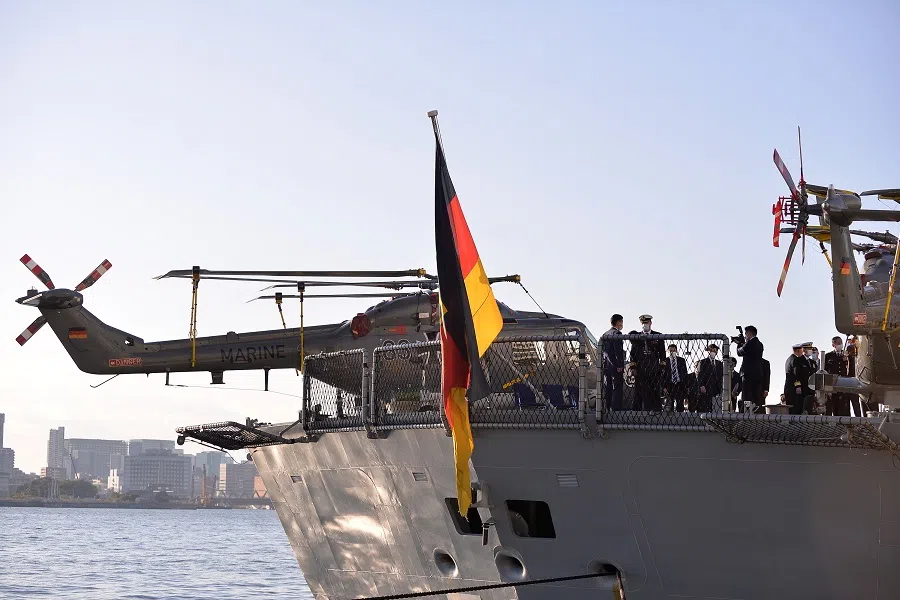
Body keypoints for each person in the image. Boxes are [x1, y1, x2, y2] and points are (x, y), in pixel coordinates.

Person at [628, 314, 665, 411]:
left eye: (646, 322)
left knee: (655, 391)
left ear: (650, 323)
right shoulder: (636, 337)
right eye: (643, 323)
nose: (645, 324)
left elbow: (662, 354)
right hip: (641, 369)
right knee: (639, 392)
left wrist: (661, 368)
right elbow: (633, 355)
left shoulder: (657, 336)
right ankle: (637, 413)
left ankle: (657, 411)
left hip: (654, 369)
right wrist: (633, 368)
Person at [736, 325, 765, 412]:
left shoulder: (750, 343)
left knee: (746, 397)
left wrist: (739, 344)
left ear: (749, 333)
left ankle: (747, 412)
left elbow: (739, 352)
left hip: (748, 374)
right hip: (757, 374)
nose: (745, 336)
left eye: (745, 334)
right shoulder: (760, 344)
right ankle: (753, 410)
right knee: (755, 396)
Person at [603, 314, 626, 411]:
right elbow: (618, 351)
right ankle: (616, 410)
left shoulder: (605, 334)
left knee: (608, 388)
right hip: (615, 366)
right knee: (617, 388)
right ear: (619, 322)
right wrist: (620, 365)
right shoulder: (617, 334)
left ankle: (608, 408)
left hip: (606, 366)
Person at [824, 336, 851, 416]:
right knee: (833, 405)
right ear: (833, 345)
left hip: (844, 383)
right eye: (838, 343)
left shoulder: (846, 355)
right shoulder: (828, 356)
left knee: (844, 406)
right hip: (833, 384)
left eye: (841, 343)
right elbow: (825, 370)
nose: (840, 345)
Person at [785, 343, 815, 414]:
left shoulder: (811, 362)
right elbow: (796, 375)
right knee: (798, 409)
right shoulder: (796, 360)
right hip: (798, 389)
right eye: (809, 349)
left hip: (808, 389)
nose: (811, 351)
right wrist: (798, 386)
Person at [695, 343, 723, 412]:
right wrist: (702, 385)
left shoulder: (719, 363)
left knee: (716, 407)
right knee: (706, 406)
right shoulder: (703, 362)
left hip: (717, 388)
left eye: (715, 350)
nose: (713, 352)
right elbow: (700, 374)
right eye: (711, 350)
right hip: (707, 387)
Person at [662, 343, 689, 412]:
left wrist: (686, 386)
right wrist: (664, 386)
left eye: (673, 351)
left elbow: (685, 373)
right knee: (669, 404)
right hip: (669, 385)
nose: (672, 352)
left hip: (679, 384)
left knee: (680, 404)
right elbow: (662, 375)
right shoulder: (665, 361)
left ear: (676, 351)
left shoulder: (681, 360)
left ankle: (680, 419)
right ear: (668, 351)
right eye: (670, 351)